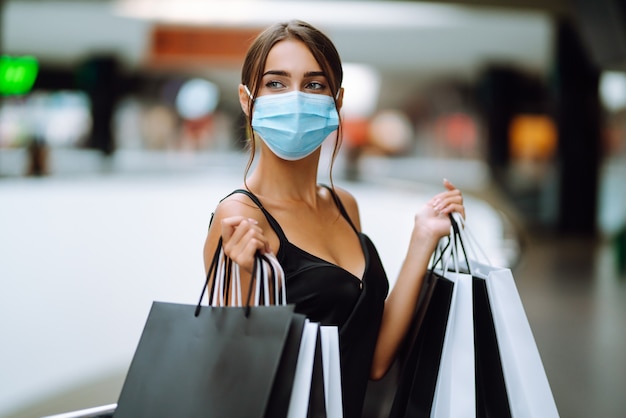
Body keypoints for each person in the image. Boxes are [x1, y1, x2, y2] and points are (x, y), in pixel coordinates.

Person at [203, 20, 466, 418]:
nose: (295, 98)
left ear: (336, 100)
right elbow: (234, 377)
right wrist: (242, 279)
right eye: (275, 83)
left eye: (313, 84)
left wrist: (423, 237)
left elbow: (374, 360)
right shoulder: (240, 216)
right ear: (247, 99)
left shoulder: (344, 205)